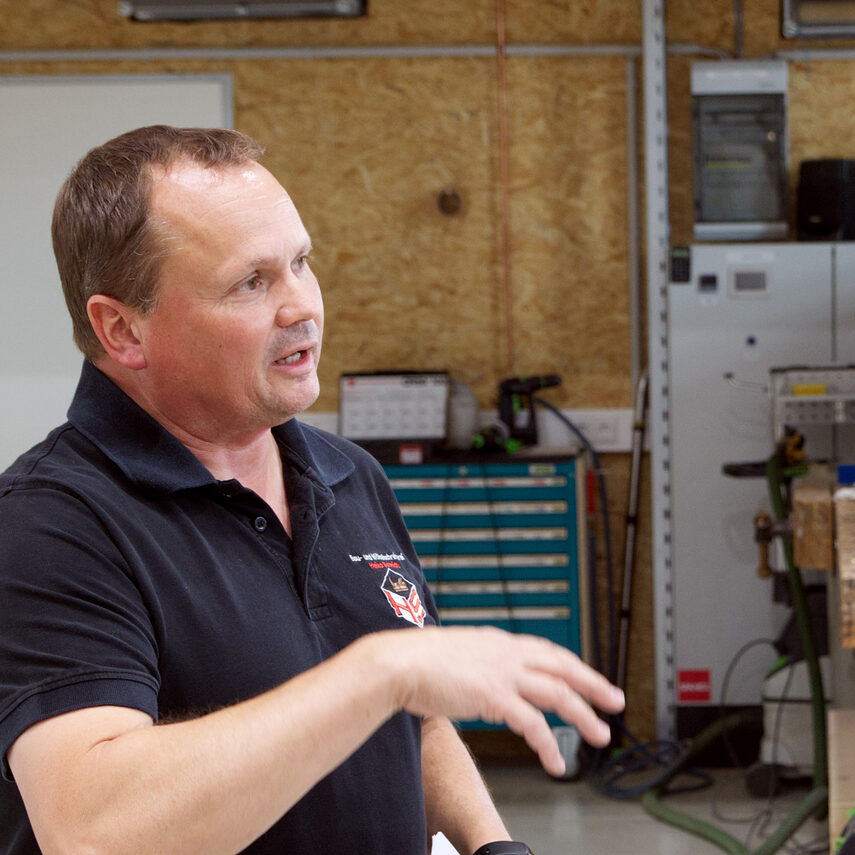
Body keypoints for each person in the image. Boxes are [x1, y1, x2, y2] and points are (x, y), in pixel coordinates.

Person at [0, 125, 624, 855]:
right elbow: (97, 830)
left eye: (302, 263)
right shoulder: (49, 527)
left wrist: (488, 842)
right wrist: (377, 671)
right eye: (251, 282)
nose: (302, 307)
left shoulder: (347, 475)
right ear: (122, 329)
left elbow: (412, 717)